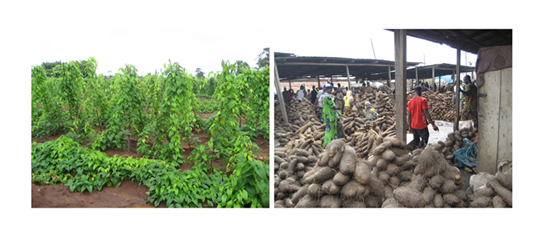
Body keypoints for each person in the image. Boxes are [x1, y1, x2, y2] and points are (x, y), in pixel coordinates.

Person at [321, 83, 340, 148]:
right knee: (333, 129)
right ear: (326, 89)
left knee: (328, 129)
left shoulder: (322, 96)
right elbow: (333, 106)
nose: (331, 90)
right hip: (331, 115)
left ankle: (326, 143)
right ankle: (332, 143)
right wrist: (336, 108)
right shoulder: (328, 97)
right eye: (330, 89)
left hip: (326, 115)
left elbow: (320, 104)